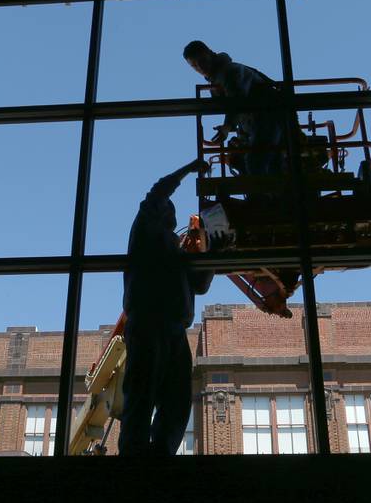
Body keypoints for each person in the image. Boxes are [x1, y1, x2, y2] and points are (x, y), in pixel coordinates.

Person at [118, 159, 215, 456]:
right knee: (142, 393)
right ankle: (134, 454)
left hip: (174, 329)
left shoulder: (178, 248)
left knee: (176, 398)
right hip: (148, 324)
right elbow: (157, 192)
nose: (171, 213)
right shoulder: (145, 230)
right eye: (168, 209)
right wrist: (188, 169)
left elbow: (200, 285)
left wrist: (205, 252)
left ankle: (161, 452)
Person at [183, 40, 285, 177]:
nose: (200, 67)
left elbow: (237, 101)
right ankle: (274, 195)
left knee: (255, 162)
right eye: (194, 65)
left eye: (202, 60)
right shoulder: (222, 74)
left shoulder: (228, 72)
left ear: (210, 54)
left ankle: (262, 197)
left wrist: (228, 126)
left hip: (267, 117)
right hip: (261, 120)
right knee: (271, 164)